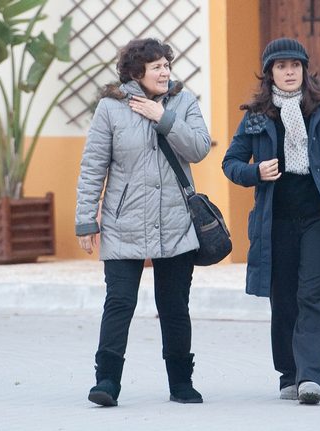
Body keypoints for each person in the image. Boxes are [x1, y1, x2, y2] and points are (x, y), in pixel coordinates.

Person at [222, 37, 320, 404]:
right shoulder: (257, 115)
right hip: (276, 220)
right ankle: (288, 373)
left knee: (312, 294)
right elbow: (230, 163)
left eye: (295, 65)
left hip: (319, 217)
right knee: (284, 298)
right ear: (270, 74)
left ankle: (311, 377)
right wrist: (256, 171)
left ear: (304, 70)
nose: (289, 72)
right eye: (280, 66)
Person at [75, 38, 211, 406]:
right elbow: (93, 167)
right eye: (157, 67)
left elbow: (199, 148)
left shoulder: (183, 102)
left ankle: (181, 383)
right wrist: (87, 220)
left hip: (176, 222)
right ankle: (107, 381)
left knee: (174, 306)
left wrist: (162, 117)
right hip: (123, 223)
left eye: (168, 64)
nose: (166, 71)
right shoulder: (110, 108)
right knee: (119, 303)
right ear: (136, 72)